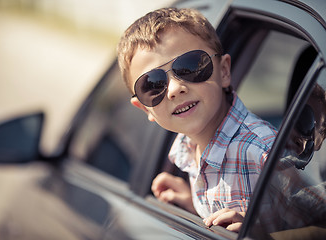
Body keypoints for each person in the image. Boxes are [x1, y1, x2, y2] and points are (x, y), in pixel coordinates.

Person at [117, 7, 277, 232]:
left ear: (223, 72)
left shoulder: (264, 151)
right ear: (145, 109)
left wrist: (260, 235)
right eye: (152, 85)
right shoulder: (185, 152)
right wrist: (196, 209)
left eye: (190, 66)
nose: (174, 89)